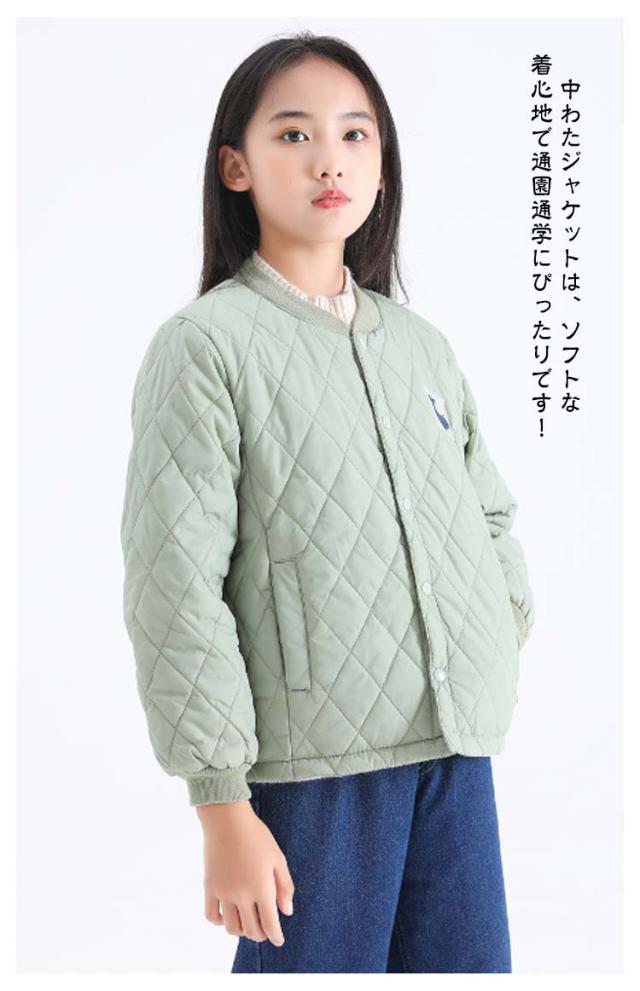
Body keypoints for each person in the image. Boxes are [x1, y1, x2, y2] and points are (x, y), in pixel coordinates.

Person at [119, 31, 536, 974]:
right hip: (316, 771)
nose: (329, 160)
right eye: (294, 134)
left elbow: (490, 517)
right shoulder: (206, 346)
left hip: (455, 755)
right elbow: (174, 587)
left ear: (382, 165)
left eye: (355, 134)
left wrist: (494, 640)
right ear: (236, 166)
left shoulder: (420, 347)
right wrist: (222, 801)